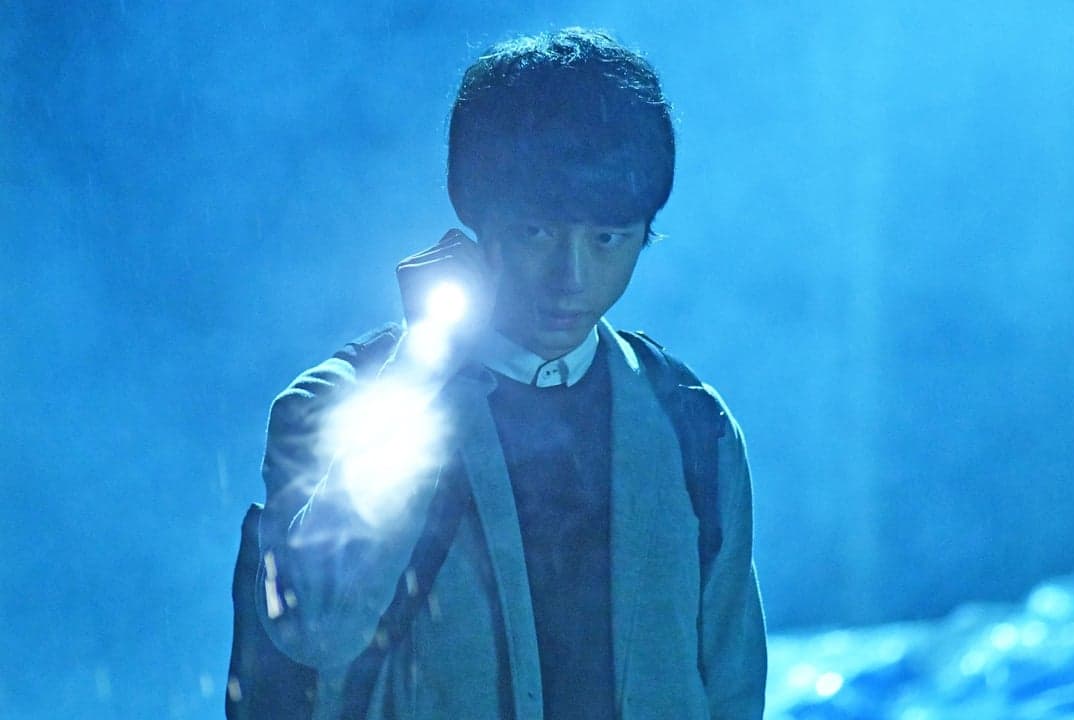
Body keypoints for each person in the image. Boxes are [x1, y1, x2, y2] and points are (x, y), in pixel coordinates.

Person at [254, 27, 766, 719]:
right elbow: (316, 629)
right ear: (479, 222)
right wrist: (418, 376)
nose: (571, 277)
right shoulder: (338, 405)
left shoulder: (693, 427)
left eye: (607, 238)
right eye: (537, 233)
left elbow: (733, 689)